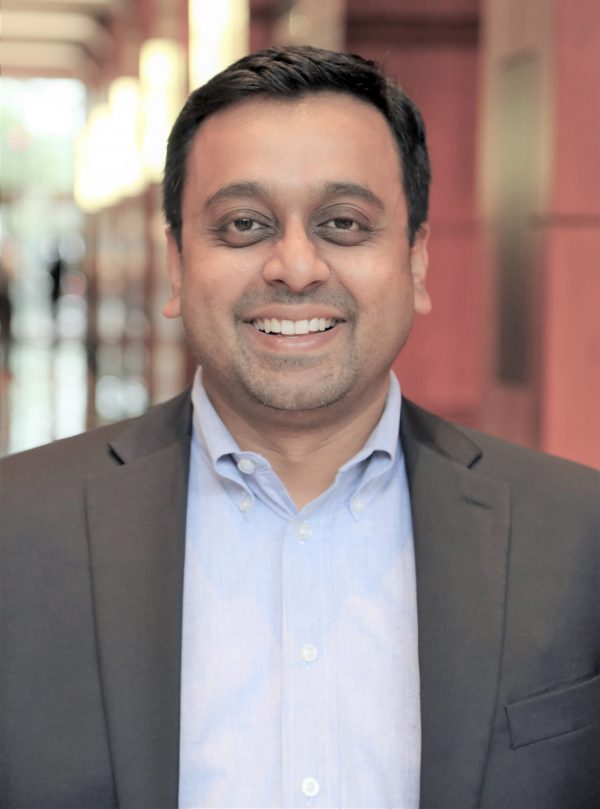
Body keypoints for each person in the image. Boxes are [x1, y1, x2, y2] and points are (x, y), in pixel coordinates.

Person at [1, 46, 598, 809]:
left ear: (416, 260)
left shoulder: (577, 536)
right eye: (244, 224)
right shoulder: (17, 529)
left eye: (343, 223)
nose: (294, 265)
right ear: (177, 263)